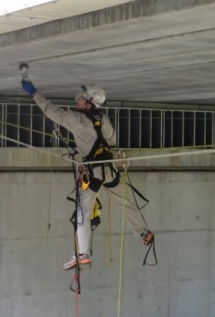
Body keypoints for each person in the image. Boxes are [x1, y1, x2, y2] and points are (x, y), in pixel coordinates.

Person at [21, 80, 154, 270]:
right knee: (125, 201)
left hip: (92, 173)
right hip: (108, 170)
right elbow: (110, 141)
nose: (77, 101)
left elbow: (52, 112)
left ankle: (83, 253)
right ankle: (143, 232)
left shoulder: (77, 120)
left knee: (84, 212)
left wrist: (34, 93)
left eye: (81, 99)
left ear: (89, 103)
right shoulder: (103, 119)